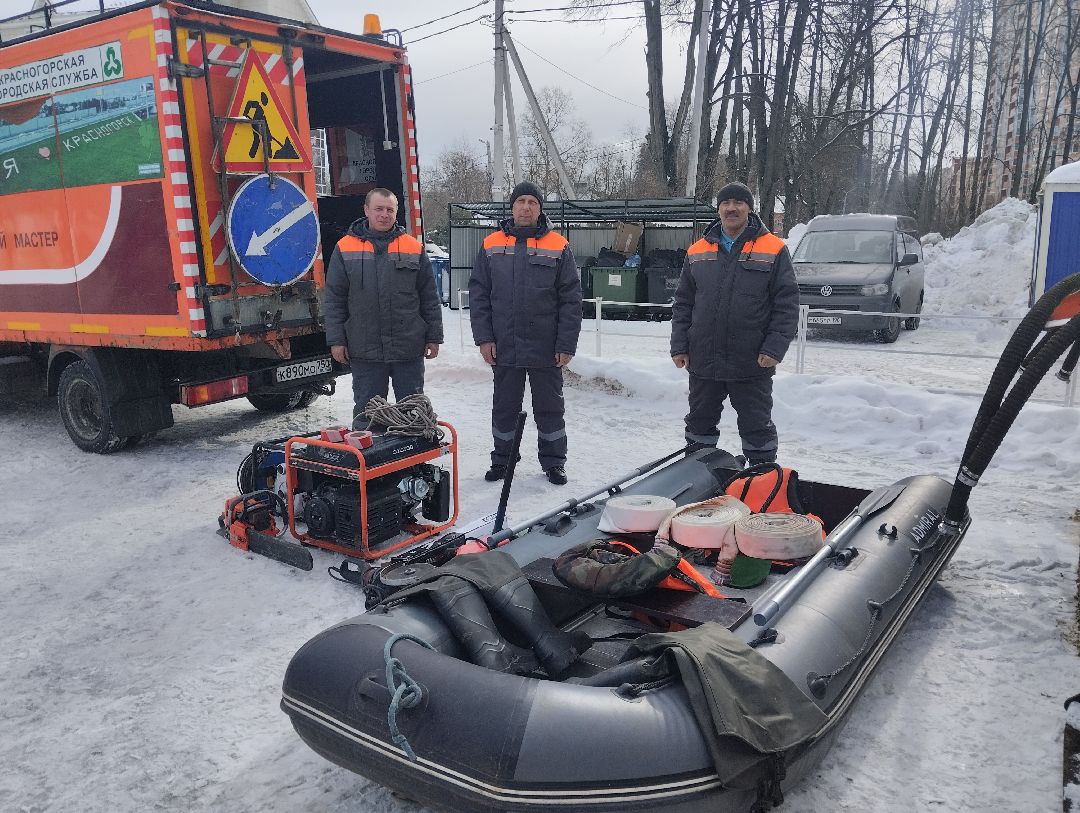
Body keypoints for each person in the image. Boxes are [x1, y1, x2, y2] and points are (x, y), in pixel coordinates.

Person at [670, 181, 799, 464]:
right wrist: (679, 345)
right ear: (718, 210)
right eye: (725, 203)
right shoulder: (697, 251)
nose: (731, 208)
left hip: (752, 361)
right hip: (704, 359)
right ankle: (699, 472)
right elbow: (683, 303)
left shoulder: (773, 249)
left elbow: (786, 304)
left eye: (738, 202)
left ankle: (762, 479)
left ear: (749, 208)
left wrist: (774, 349)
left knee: (756, 425)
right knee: (699, 423)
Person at [469, 181, 582, 485]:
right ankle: (502, 460)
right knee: (504, 407)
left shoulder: (558, 245)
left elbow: (571, 300)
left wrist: (566, 344)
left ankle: (554, 462)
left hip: (546, 347)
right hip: (504, 345)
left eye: (533, 201)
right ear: (512, 207)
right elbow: (479, 295)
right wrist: (484, 339)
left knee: (550, 408)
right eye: (521, 201)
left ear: (540, 208)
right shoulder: (491, 244)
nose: (526, 207)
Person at [324, 188, 443, 428]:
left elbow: (429, 296)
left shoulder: (412, 247)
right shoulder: (344, 248)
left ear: (396, 213)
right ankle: (372, 463)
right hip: (365, 350)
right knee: (368, 417)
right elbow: (335, 299)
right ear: (366, 210)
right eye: (379, 208)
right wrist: (337, 340)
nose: (384, 214)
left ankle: (412, 465)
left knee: (413, 415)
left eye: (390, 210)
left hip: (407, 348)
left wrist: (433, 337)